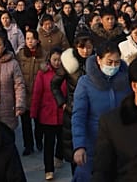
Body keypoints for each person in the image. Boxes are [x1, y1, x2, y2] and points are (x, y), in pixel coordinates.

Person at [71, 41, 130, 182]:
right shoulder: (85, 83)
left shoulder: (126, 83)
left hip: (120, 146)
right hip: (93, 146)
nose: (113, 66)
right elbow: (78, 116)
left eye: (117, 62)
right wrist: (79, 146)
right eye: (109, 62)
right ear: (99, 59)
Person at [51, 33, 93, 172]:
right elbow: (54, 84)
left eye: (88, 47)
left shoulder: (97, 62)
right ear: (76, 47)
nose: (86, 51)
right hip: (73, 109)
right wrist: (62, 102)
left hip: (94, 109)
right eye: (82, 47)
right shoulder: (69, 63)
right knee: (75, 148)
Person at [31, 47, 64, 180]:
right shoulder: (42, 74)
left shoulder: (67, 73)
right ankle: (48, 169)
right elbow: (37, 94)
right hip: (47, 114)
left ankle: (59, 156)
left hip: (62, 113)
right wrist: (34, 112)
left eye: (60, 60)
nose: (57, 62)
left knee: (62, 140)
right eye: (55, 59)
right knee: (49, 143)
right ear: (49, 59)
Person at [16, 29, 44, 155]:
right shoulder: (21, 54)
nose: (30, 41)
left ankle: (39, 140)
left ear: (37, 40)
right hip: (25, 93)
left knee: (39, 122)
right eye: (27, 38)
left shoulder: (44, 54)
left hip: (39, 94)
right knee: (25, 122)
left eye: (32, 38)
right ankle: (28, 145)